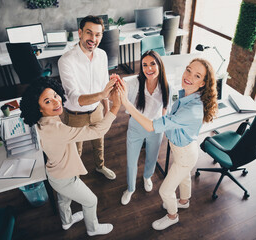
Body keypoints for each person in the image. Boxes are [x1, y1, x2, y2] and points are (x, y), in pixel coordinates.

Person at [116, 58, 218, 230]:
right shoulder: (188, 94)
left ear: (203, 83)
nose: (189, 76)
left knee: (165, 191)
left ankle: (172, 216)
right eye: (188, 70)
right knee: (184, 176)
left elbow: (151, 125)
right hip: (183, 150)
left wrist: (126, 103)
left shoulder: (191, 110)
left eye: (197, 75)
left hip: (185, 153)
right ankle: (184, 201)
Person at [20, 77, 121, 236]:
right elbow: (97, 132)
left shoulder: (40, 121)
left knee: (63, 199)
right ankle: (92, 229)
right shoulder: (57, 129)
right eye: (47, 101)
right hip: (65, 178)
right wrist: (116, 107)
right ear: (38, 107)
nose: (56, 101)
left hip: (55, 173)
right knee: (91, 201)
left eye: (55, 95)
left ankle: (67, 221)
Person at [58, 15, 116, 180]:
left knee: (99, 141)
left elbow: (104, 83)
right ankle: (75, 178)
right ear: (80, 33)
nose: (93, 38)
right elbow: (74, 97)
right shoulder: (66, 61)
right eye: (89, 33)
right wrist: (103, 95)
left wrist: (105, 107)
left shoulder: (102, 55)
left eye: (97, 35)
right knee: (76, 151)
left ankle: (100, 166)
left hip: (97, 110)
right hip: (75, 115)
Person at [119, 50, 171, 205]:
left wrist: (162, 125)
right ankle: (130, 188)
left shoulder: (166, 86)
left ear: (159, 64)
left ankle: (147, 176)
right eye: (145, 65)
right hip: (136, 127)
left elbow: (166, 108)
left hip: (155, 128)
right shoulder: (134, 83)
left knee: (152, 157)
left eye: (152, 64)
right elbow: (122, 90)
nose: (149, 69)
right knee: (131, 160)